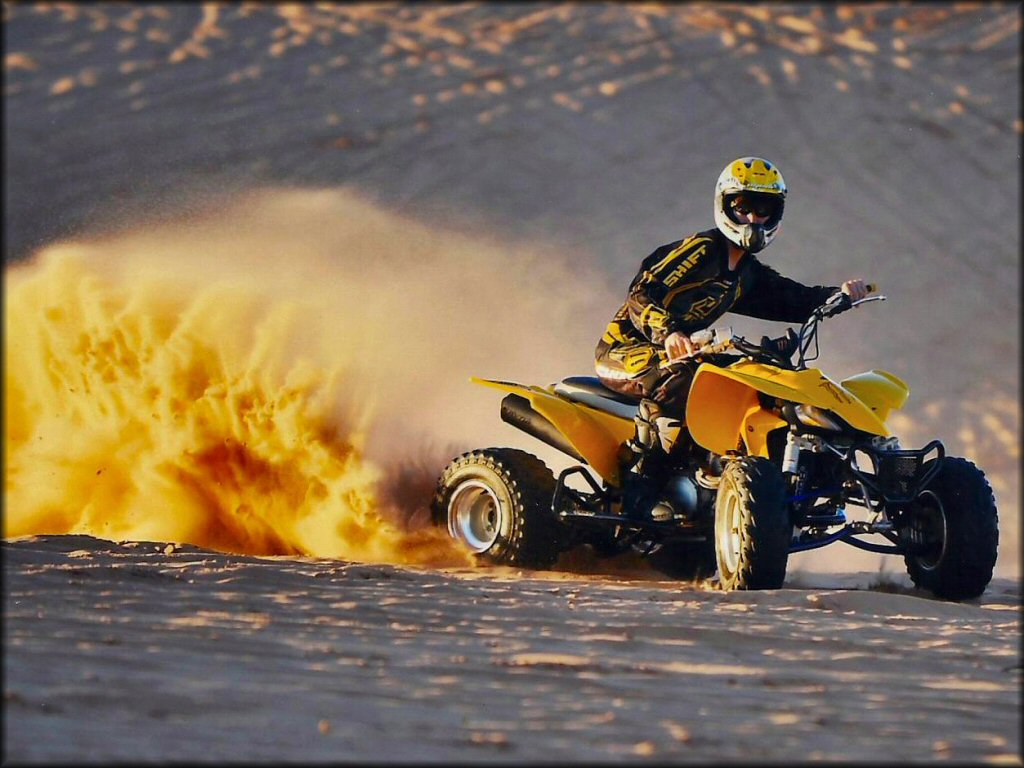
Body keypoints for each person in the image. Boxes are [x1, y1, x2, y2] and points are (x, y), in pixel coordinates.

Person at [595, 156, 869, 521]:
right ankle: (638, 495)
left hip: (682, 352)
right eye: (742, 208)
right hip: (626, 351)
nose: (753, 219)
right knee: (687, 383)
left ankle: (718, 478)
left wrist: (842, 296)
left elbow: (794, 299)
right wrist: (669, 332)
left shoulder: (746, 274)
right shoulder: (700, 251)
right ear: (725, 206)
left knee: (746, 378)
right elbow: (641, 293)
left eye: (763, 208)